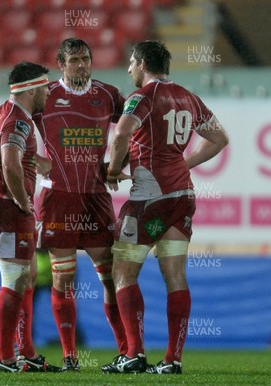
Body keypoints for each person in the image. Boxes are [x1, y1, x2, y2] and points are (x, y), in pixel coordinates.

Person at [101, 41, 230, 374]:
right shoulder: (187, 96)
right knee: (175, 277)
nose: (129, 69)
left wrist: (113, 171)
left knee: (123, 272)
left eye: (131, 63)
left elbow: (122, 134)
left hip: (150, 198)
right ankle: (172, 360)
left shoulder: (142, 97)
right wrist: (184, 163)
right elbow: (218, 139)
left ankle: (135, 353)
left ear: (143, 63)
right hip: (182, 196)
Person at [32, 37, 128, 371]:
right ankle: (70, 356)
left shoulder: (107, 95)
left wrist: (116, 163)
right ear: (61, 63)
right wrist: (34, 159)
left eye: (86, 58)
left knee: (111, 277)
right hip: (59, 198)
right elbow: (8, 128)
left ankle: (126, 352)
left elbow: (134, 127)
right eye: (74, 60)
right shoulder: (45, 96)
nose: (82, 65)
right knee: (63, 280)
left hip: (96, 197)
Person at [0, 61, 59, 373]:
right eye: (44, 87)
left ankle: (25, 352)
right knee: (13, 280)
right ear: (29, 88)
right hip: (7, 208)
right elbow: (9, 162)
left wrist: (41, 163)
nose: (48, 92)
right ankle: (6, 358)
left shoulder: (6, 113)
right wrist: (23, 201)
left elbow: (17, 157)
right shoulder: (19, 121)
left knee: (24, 278)